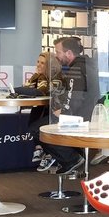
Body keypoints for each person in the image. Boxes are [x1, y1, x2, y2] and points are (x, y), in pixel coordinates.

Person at [37, 36, 99, 175]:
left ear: (69, 53)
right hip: (86, 115)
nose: (57, 55)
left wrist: (63, 113)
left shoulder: (76, 69)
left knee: (38, 129)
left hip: (77, 118)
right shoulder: (87, 66)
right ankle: (70, 155)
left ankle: (71, 159)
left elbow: (74, 99)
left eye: (58, 52)